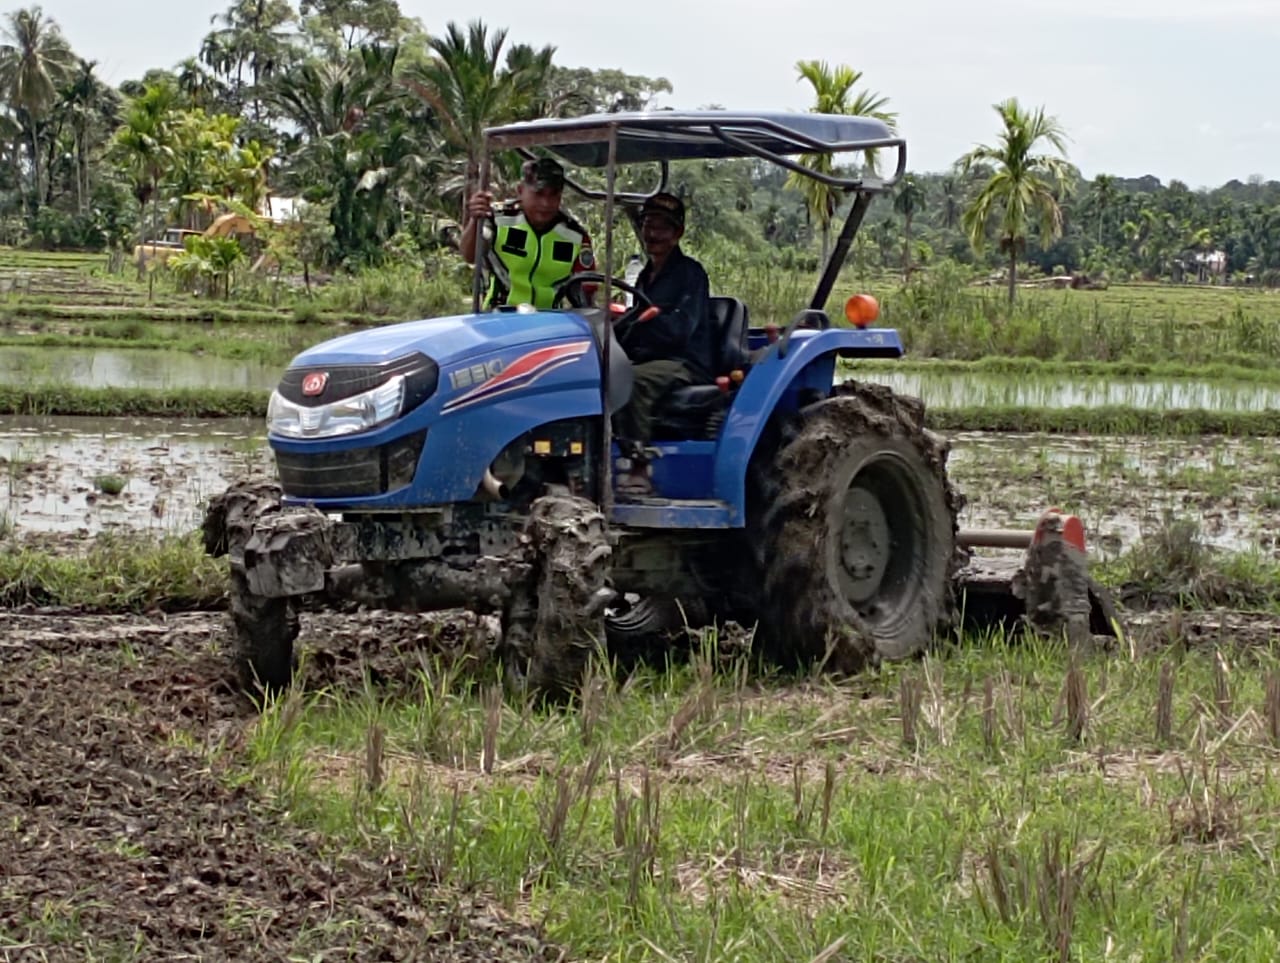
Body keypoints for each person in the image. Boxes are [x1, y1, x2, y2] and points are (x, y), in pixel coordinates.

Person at [613, 192, 714, 493]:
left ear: (677, 233)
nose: (653, 234)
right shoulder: (645, 276)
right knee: (598, 371)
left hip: (684, 363)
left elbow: (679, 331)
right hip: (652, 357)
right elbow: (635, 325)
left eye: (662, 227)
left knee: (631, 380)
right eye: (648, 225)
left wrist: (645, 322)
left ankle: (638, 464)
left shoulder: (690, 274)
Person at [459, 157, 595, 310]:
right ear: (520, 190)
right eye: (539, 194)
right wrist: (475, 219)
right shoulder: (498, 221)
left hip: (549, 320)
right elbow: (470, 255)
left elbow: (586, 290)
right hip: (499, 316)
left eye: (553, 195)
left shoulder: (575, 236)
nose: (546, 203)